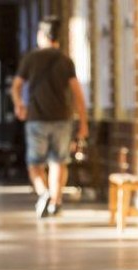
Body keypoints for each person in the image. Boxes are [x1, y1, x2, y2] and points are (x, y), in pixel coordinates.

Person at [11, 16, 88, 218]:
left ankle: (44, 193)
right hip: (63, 118)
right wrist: (83, 123)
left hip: (36, 118)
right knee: (58, 162)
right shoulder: (65, 60)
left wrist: (19, 104)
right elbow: (78, 94)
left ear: (42, 35)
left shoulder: (31, 59)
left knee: (35, 163)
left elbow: (16, 86)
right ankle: (56, 201)